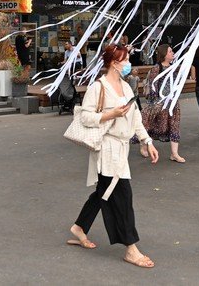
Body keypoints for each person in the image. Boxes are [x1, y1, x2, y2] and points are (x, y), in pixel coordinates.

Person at [67, 43, 159, 269]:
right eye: (126, 60)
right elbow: (86, 117)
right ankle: (131, 248)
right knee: (122, 197)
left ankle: (79, 227)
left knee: (104, 193)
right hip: (106, 149)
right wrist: (111, 114)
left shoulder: (127, 87)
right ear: (115, 63)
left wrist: (147, 141)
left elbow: (136, 118)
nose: (129, 64)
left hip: (122, 148)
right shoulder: (98, 87)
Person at [136, 44, 185, 162]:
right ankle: (144, 144)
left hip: (173, 102)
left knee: (174, 125)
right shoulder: (157, 68)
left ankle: (174, 153)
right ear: (164, 54)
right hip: (159, 102)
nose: (172, 53)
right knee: (150, 123)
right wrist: (156, 101)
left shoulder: (174, 67)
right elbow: (153, 85)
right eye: (170, 51)